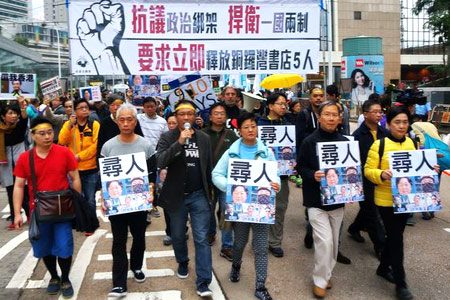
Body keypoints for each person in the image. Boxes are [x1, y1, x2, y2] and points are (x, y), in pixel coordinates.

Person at [365, 106, 440, 300]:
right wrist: (381, 174)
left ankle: (383, 268)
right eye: (397, 122)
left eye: (405, 122)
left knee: (394, 237)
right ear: (388, 124)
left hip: (407, 201)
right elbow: (367, 170)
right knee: (397, 240)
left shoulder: (412, 143)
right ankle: (401, 284)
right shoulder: (379, 145)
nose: (401, 126)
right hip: (386, 201)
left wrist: (431, 168)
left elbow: (418, 170)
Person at [212, 112, 280, 300]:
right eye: (246, 127)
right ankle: (236, 266)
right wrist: (231, 188)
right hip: (240, 209)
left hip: (261, 209)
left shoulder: (267, 152)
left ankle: (260, 286)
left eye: (253, 126)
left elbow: (274, 175)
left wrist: (276, 185)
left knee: (260, 247)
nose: (251, 130)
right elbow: (216, 174)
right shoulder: (232, 152)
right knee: (239, 243)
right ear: (239, 130)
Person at [13, 116, 81, 298]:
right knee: (44, 247)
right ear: (33, 135)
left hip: (63, 209)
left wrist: (77, 204)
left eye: (50, 132)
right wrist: (17, 212)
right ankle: (53, 276)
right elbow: (19, 186)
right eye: (42, 133)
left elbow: (75, 178)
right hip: (38, 211)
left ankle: (65, 278)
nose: (47, 137)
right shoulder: (25, 158)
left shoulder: (64, 152)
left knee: (65, 246)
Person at [156, 100, 214, 297]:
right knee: (178, 236)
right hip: (176, 196)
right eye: (182, 114)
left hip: (199, 195)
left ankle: (204, 281)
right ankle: (182, 261)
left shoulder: (204, 138)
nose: (186, 118)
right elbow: (161, 161)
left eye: (190, 114)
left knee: (201, 239)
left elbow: (209, 166)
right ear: (176, 117)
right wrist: (179, 142)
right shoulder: (167, 137)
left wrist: (210, 194)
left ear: (194, 116)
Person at [100, 103, 156, 298]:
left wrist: (151, 193)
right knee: (119, 241)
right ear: (116, 121)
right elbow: (104, 177)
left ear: (135, 121)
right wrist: (103, 199)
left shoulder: (145, 145)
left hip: (139, 203)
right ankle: (119, 283)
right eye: (121, 119)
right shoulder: (108, 147)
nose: (125, 123)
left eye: (129, 119)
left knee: (139, 238)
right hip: (117, 204)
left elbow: (151, 174)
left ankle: (137, 266)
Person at [297, 100, 349, 298]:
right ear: (319, 118)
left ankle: (326, 275)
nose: (331, 118)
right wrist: (313, 175)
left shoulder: (345, 142)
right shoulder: (309, 141)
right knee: (324, 242)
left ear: (340, 118)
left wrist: (352, 189)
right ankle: (319, 280)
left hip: (337, 201)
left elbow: (351, 171)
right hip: (315, 201)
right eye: (326, 114)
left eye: (334, 114)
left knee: (334, 243)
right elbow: (300, 167)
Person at [348, 98, 388, 256]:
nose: (379, 115)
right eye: (375, 112)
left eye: (380, 112)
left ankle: (354, 228)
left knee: (369, 209)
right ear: (365, 115)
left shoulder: (385, 133)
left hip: (382, 179)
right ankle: (380, 247)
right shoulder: (357, 136)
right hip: (364, 180)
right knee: (372, 213)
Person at [59, 98, 100, 235]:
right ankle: (80, 222)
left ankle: (91, 224)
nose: (84, 110)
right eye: (80, 108)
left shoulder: (94, 125)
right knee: (77, 197)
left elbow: (95, 146)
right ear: (74, 111)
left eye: (86, 107)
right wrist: (69, 125)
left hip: (90, 168)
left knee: (90, 198)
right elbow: (61, 140)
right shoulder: (69, 124)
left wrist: (80, 156)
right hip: (73, 169)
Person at [202, 102, 238, 258]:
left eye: (222, 113)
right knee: (208, 211)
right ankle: (210, 233)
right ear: (210, 116)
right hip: (207, 181)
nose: (219, 116)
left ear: (226, 117)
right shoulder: (202, 134)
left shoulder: (232, 135)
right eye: (216, 113)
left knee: (227, 212)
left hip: (226, 182)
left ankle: (227, 245)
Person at [258, 92, 291, 258]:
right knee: (262, 207)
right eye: (280, 104)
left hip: (282, 175)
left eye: (285, 104)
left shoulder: (288, 125)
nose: (284, 107)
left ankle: (275, 242)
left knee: (280, 208)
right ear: (270, 106)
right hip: (262, 174)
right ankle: (260, 241)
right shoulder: (259, 124)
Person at [0, 98, 29, 230]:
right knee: (10, 191)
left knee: (25, 191)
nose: (13, 116)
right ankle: (14, 217)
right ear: (3, 116)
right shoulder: (1, 130)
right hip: (5, 165)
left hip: (20, 162)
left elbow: (24, 119)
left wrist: (22, 106)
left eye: (15, 113)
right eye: (10, 113)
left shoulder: (20, 127)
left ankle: (30, 214)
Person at [137, 96, 169, 218]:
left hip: (155, 156)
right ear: (143, 108)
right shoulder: (138, 119)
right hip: (139, 156)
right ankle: (144, 209)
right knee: (140, 182)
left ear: (156, 106)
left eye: (152, 106)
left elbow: (165, 139)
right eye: (147, 107)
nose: (150, 109)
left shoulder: (162, 121)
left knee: (153, 183)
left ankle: (153, 205)